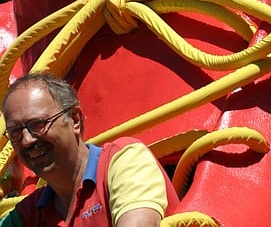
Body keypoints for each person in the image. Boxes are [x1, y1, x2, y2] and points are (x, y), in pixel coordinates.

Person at [0, 73, 179, 225]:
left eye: (37, 124)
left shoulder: (124, 161)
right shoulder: (28, 214)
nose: (27, 140)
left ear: (75, 120)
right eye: (15, 132)